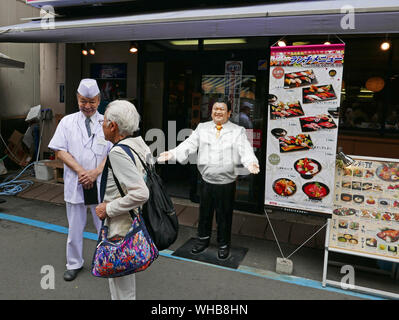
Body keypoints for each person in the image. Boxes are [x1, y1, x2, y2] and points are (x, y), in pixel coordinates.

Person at [158, 97, 259, 260]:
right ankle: (202, 240)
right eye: (215, 109)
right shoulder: (202, 128)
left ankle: (223, 244)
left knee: (224, 215)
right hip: (206, 180)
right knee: (204, 214)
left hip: (226, 182)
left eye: (222, 109)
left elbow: (245, 149)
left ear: (229, 113)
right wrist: (173, 153)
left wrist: (251, 162)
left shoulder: (237, 130)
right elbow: (189, 144)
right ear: (211, 111)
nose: (218, 112)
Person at [48, 79, 112, 281]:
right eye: (83, 101)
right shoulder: (67, 122)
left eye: (92, 101)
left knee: (104, 226)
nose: (88, 105)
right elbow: (60, 151)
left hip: (100, 182)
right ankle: (74, 263)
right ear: (77, 98)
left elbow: (112, 152)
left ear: (99, 100)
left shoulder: (107, 123)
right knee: (75, 227)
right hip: (76, 182)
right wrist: (82, 172)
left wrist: (95, 173)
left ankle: (106, 262)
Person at [95, 100, 150, 300]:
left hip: (121, 225)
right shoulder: (139, 144)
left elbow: (141, 193)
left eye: (103, 121)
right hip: (134, 219)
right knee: (119, 276)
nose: (101, 125)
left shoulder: (119, 152)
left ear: (113, 126)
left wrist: (107, 208)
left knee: (122, 285)